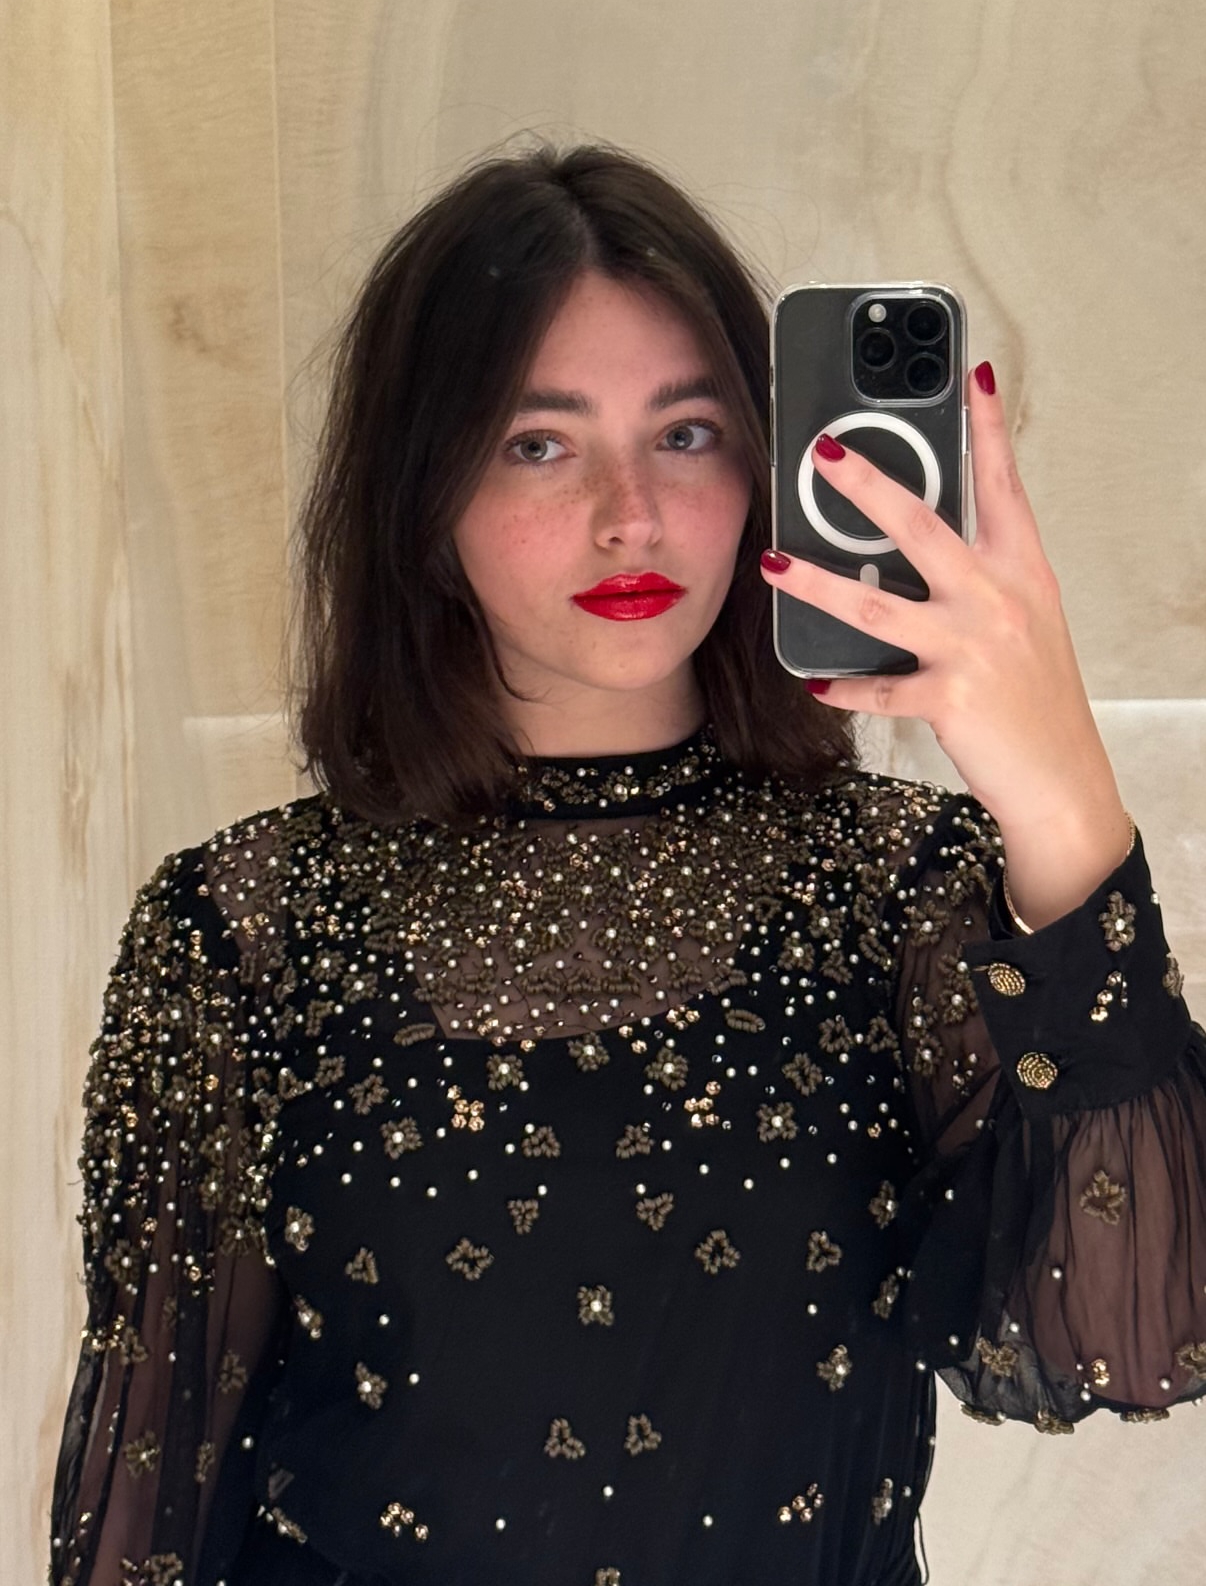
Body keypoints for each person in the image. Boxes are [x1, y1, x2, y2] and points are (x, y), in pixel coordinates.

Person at [50, 142, 1206, 1586]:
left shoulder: (904, 891)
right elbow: (153, 1501)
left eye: (688, 431)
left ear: (766, 466)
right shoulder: (244, 928)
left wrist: (1063, 798)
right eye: (538, 443)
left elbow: (1126, 1337)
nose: (630, 514)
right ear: (422, 492)